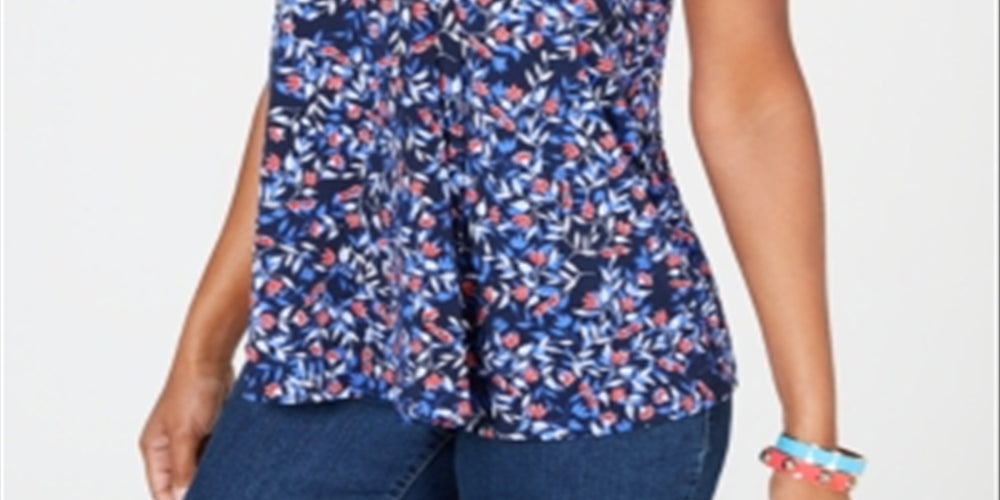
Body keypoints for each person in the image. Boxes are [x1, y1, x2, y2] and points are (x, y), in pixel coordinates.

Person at [139, 0, 866, 498]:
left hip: (598, 360)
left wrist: (812, 440)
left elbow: (751, 100)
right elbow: (322, 82)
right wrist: (203, 349)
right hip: (355, 337)